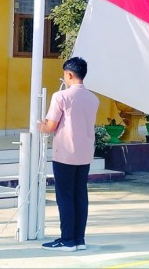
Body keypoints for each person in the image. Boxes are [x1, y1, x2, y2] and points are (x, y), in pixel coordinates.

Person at [39, 57, 100, 252]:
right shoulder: (93, 98)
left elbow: (50, 126)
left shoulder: (61, 96)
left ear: (70, 74)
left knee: (64, 196)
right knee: (80, 195)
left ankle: (67, 240)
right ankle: (79, 239)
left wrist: (40, 126)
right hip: (84, 153)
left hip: (65, 153)